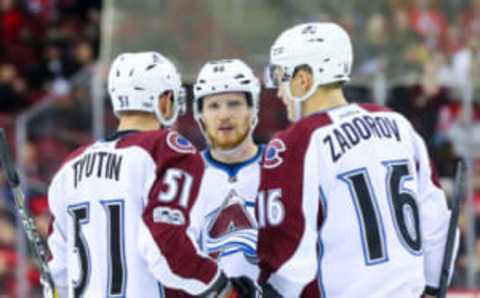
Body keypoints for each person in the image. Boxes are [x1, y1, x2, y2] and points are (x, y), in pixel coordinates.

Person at [258, 22, 458, 297]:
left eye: (281, 77)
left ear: (304, 79)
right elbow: (437, 227)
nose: (279, 91)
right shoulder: (398, 124)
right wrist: (433, 288)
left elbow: (290, 258)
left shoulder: (296, 142)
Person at [47, 51, 249, 297]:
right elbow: (166, 248)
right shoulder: (166, 149)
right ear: (164, 100)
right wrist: (224, 289)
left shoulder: (71, 166)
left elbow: (57, 271)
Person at [188, 59, 263, 296]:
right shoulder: (184, 176)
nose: (224, 115)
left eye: (234, 104)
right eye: (213, 106)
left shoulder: (282, 166)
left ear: (253, 110)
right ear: (200, 116)